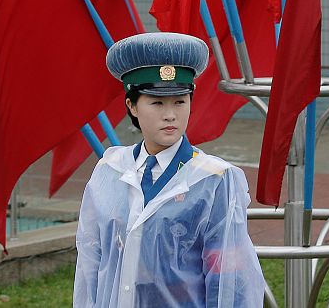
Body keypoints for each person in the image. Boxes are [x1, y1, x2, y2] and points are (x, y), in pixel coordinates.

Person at [74, 32, 266, 307]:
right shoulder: (110, 171)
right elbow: (90, 261)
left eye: (180, 101)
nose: (170, 115)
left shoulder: (214, 180)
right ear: (132, 105)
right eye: (157, 103)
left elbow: (229, 281)